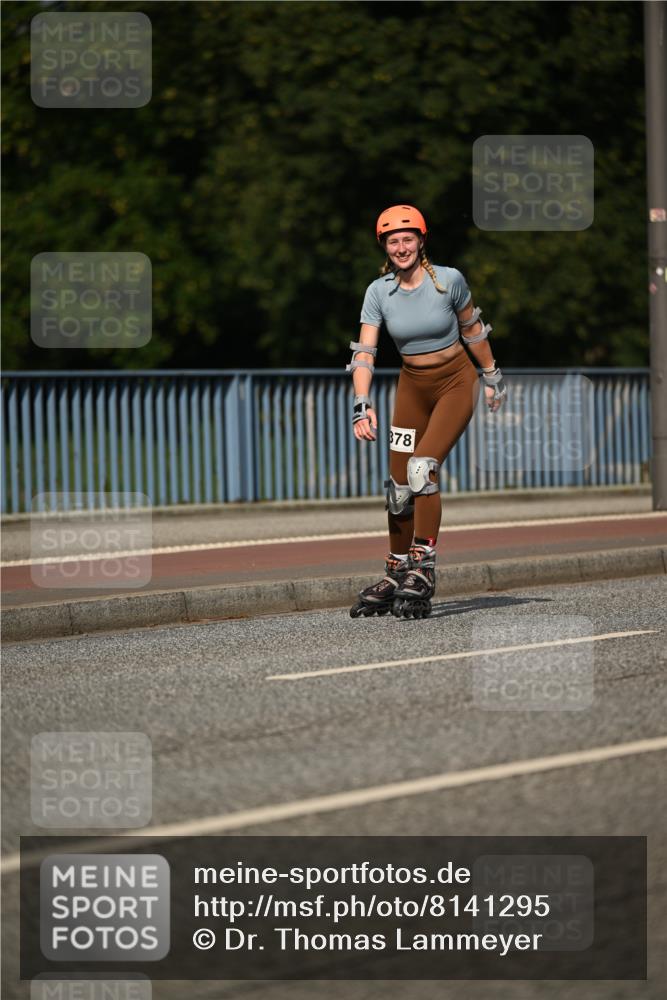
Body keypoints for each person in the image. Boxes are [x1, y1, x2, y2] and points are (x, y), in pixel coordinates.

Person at [347, 204, 506, 620]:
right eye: (392, 241)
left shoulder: (448, 281)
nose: (401, 247)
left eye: (408, 239)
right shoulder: (379, 291)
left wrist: (491, 376)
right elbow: (365, 353)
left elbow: (473, 330)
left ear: (421, 241)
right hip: (412, 389)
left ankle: (424, 565)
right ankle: (398, 568)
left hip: (456, 383)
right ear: (384, 246)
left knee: (422, 468)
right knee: (398, 487)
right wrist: (360, 406)